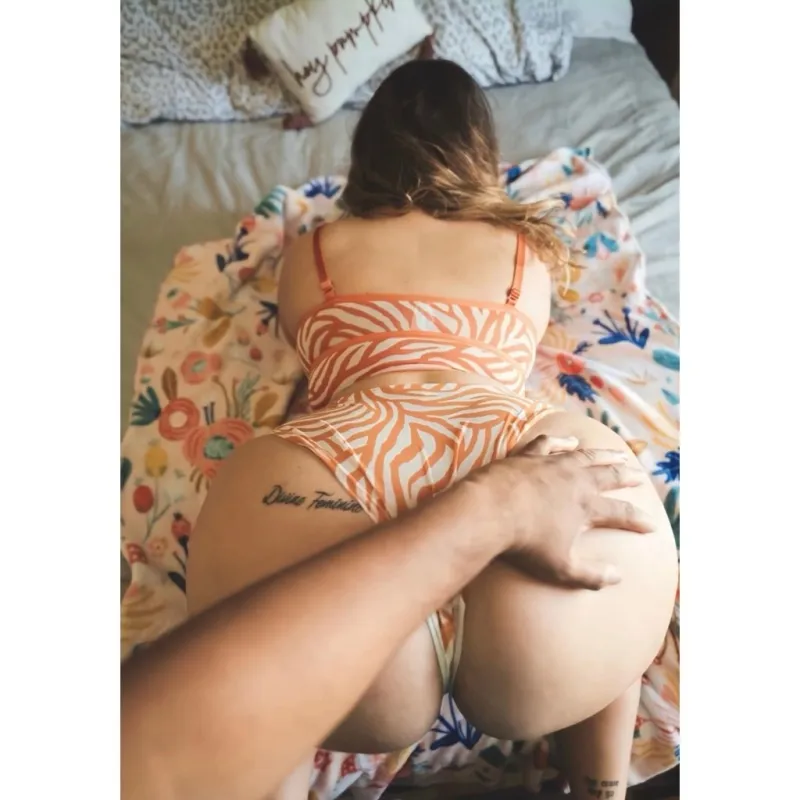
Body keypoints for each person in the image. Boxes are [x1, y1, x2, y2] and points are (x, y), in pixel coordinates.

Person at [185, 59, 679, 800]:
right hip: (510, 444)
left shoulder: (315, 249)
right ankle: (599, 786)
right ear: (480, 151)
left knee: (271, 701)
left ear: (367, 154)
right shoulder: (522, 250)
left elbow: (299, 343)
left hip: (341, 460)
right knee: (610, 571)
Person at [123, 437, 655, 800]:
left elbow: (163, 752)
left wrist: (493, 509)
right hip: (517, 445)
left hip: (327, 451)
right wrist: (492, 509)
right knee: (604, 596)